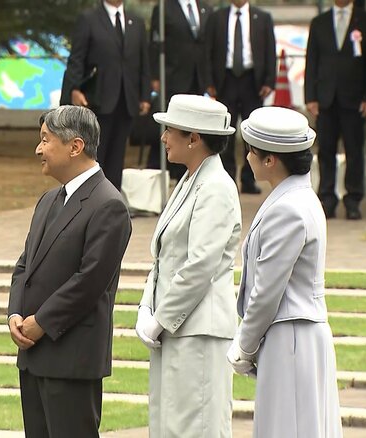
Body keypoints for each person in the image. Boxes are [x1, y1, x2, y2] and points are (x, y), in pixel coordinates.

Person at [7, 105, 132, 437]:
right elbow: (25, 265)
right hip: (33, 354)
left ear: (75, 146)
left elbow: (90, 281)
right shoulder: (48, 200)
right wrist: (15, 314)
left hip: (72, 358)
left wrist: (42, 323)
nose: (39, 149)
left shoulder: (108, 204)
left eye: (46, 140)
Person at [228, 106, 343, 438]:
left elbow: (267, 291)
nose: (247, 156)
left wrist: (244, 345)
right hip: (294, 334)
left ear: (270, 161)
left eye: (251, 150)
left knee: (288, 429)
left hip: (291, 333)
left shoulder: (289, 208)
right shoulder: (295, 198)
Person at [136, 94, 241, 437]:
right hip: (177, 328)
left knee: (196, 427)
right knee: (168, 425)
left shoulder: (216, 188)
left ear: (194, 138)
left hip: (199, 331)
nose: (163, 138)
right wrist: (145, 307)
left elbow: (200, 264)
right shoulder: (189, 180)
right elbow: (165, 253)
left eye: (170, 131)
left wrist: (160, 319)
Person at [60, 0, 151, 191]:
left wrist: (144, 95)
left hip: (127, 100)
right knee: (95, 154)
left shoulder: (136, 22)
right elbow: (77, 59)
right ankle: (90, 201)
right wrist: (74, 89)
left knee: (117, 157)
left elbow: (144, 61)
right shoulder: (89, 19)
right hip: (98, 100)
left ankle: (112, 202)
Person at [305, 0, 366, 220]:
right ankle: (327, 198)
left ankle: (353, 199)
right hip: (326, 99)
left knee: (355, 150)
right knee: (326, 149)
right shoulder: (319, 22)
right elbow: (312, 61)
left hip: (354, 98)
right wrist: (310, 96)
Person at [205, 0, 276, 195]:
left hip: (252, 81)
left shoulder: (262, 18)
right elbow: (207, 52)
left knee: (251, 132)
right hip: (224, 81)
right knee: (225, 130)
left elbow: (271, 51)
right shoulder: (216, 18)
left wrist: (269, 81)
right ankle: (227, 178)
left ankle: (249, 178)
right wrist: (209, 82)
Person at [145, 0, 211, 180]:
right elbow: (155, 42)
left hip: (197, 80)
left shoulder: (205, 7)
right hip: (173, 77)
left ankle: (187, 170)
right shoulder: (164, 8)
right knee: (171, 127)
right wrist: (155, 76)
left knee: (193, 128)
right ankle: (160, 172)